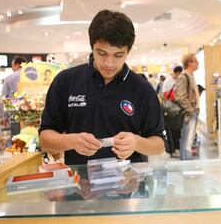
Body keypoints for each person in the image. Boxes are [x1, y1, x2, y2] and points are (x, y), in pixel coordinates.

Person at [39, 10, 165, 165]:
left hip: (128, 184)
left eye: (118, 55)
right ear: (92, 46)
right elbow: (45, 139)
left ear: (128, 51)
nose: (109, 63)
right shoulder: (66, 81)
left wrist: (136, 142)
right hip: (80, 184)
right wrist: (71, 140)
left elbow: (159, 145)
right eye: (102, 53)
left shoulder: (142, 89)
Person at [174, 53, 199, 160]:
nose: (198, 63)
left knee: (188, 140)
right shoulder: (184, 77)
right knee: (187, 142)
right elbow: (181, 96)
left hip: (193, 112)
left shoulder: (190, 76)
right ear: (189, 63)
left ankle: (186, 165)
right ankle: (187, 167)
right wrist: (191, 110)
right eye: (195, 61)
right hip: (189, 114)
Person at [0, 55, 27, 131]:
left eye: (12, 65)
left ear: (17, 65)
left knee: (17, 140)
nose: (12, 68)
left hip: (15, 113)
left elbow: (4, 98)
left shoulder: (9, 78)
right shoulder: (31, 76)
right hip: (33, 113)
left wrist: (4, 116)